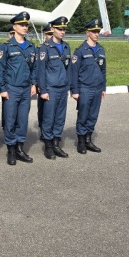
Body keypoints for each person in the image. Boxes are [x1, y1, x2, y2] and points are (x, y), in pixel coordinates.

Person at [0, 11, 37, 166]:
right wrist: (2, 88)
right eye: (22, 24)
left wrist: (34, 83)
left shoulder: (31, 46)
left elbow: (34, 67)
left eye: (26, 25)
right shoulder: (6, 46)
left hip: (26, 89)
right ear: (14, 26)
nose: (25, 27)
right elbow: (0, 69)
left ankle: (20, 148)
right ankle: (11, 150)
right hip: (11, 88)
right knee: (10, 119)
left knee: (22, 119)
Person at [36, 16, 71, 160]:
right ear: (52, 29)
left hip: (63, 88)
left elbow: (69, 68)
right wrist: (43, 90)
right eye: (59, 29)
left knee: (60, 118)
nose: (62, 32)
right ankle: (48, 146)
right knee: (49, 118)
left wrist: (69, 86)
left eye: (64, 29)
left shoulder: (67, 46)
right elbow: (41, 71)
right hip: (50, 88)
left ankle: (57, 144)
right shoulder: (45, 48)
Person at [71, 19, 107, 153]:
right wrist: (75, 91)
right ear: (88, 33)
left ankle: (88, 140)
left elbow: (103, 71)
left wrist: (103, 88)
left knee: (93, 115)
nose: (97, 34)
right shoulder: (80, 51)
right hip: (85, 88)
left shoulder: (101, 50)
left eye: (98, 32)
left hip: (97, 88)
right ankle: (81, 142)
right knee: (83, 115)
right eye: (94, 32)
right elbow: (73, 72)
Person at [37, 22, 53, 140]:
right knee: (43, 108)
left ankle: (50, 131)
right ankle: (43, 129)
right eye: (49, 34)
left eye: (52, 33)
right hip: (42, 84)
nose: (50, 36)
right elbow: (39, 69)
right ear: (45, 35)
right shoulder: (41, 49)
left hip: (52, 84)